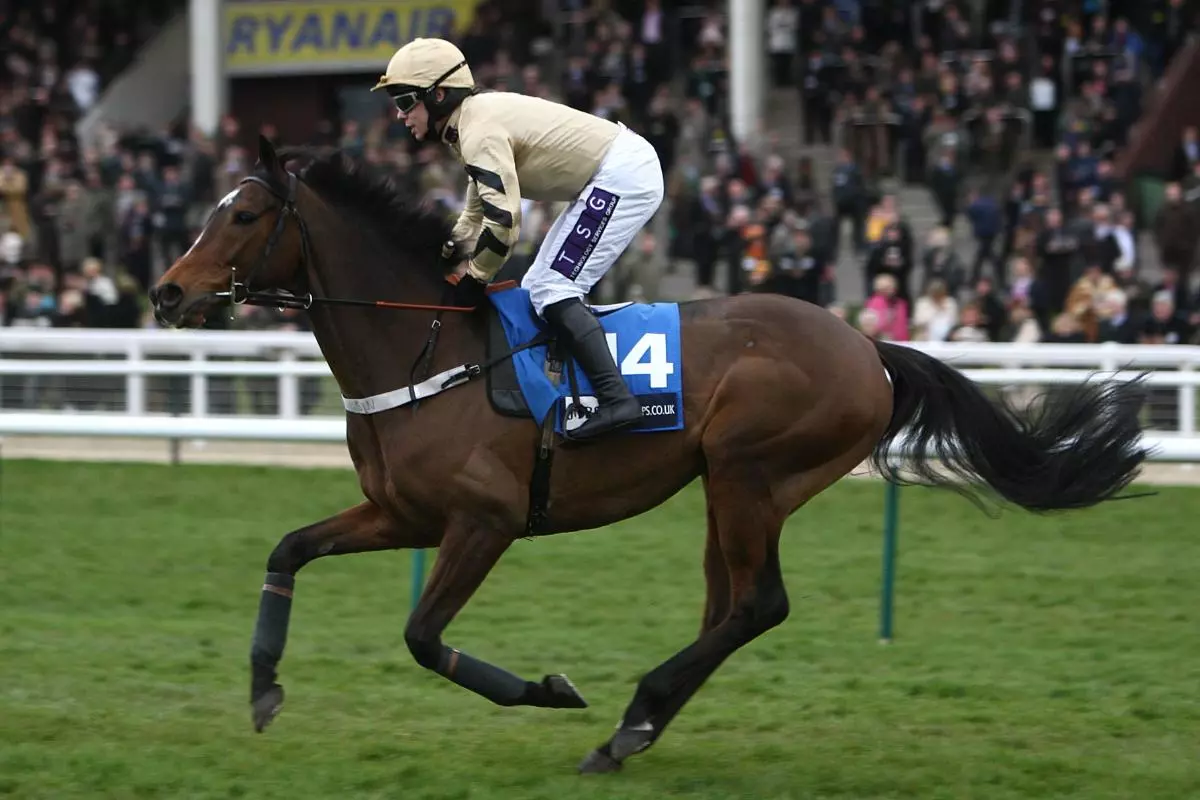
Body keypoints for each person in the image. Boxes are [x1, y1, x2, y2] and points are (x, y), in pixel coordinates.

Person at [371, 38, 665, 441]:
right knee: (540, 286)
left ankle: (617, 399)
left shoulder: (477, 129)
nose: (400, 115)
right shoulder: (468, 123)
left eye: (405, 102)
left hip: (624, 174)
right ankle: (577, 387)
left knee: (552, 288)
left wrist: (475, 279)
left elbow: (504, 221)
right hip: (614, 171)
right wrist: (444, 252)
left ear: (438, 95)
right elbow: (474, 214)